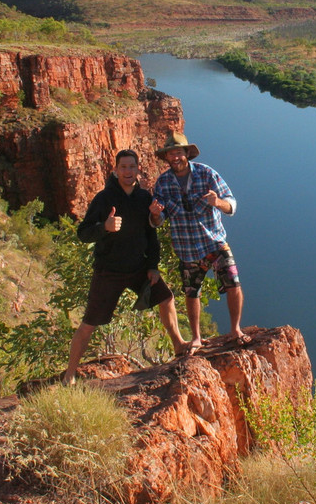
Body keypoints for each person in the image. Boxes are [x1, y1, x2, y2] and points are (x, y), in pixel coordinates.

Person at [61, 149, 187, 383]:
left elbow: (151, 235)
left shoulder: (144, 198)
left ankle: (179, 344)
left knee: (166, 297)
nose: (128, 171)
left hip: (138, 268)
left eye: (132, 167)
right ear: (116, 170)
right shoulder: (104, 198)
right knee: (89, 324)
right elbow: (83, 233)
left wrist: (153, 266)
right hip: (108, 272)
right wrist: (104, 227)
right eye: (124, 167)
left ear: (139, 169)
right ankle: (70, 374)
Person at [150, 132, 249, 353]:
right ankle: (196, 338)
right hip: (187, 249)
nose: (174, 157)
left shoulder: (207, 174)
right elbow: (158, 220)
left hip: (214, 242)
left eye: (178, 152)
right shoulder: (163, 182)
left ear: (187, 153)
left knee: (233, 283)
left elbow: (231, 205)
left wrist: (218, 202)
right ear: (166, 158)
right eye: (170, 154)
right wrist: (155, 214)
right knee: (192, 293)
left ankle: (235, 330)